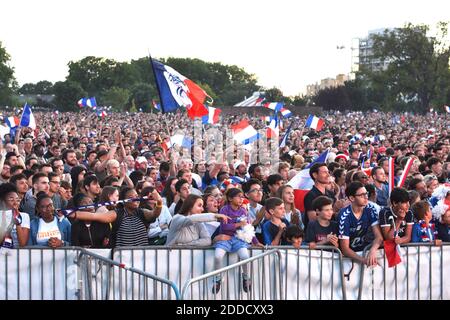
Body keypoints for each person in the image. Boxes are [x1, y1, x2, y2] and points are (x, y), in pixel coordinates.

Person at [212, 188, 261, 294]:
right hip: (225, 238)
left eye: (242, 196)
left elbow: (248, 227)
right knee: (218, 256)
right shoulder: (224, 209)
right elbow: (224, 227)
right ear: (230, 198)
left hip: (238, 239)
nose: (241, 198)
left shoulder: (243, 211)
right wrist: (238, 224)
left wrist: (256, 241)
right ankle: (217, 277)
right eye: (238, 196)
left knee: (245, 256)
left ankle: (246, 276)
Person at [337, 182, 383, 266]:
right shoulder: (344, 215)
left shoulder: (370, 208)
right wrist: (364, 260)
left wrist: (372, 251)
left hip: (363, 250)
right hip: (347, 258)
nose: (366, 197)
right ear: (352, 198)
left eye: (366, 194)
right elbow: (345, 248)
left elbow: (379, 237)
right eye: (362, 195)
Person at [0, 183, 30, 247]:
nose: (15, 203)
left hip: (18, 253)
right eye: (11, 200)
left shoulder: (24, 216)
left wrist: (18, 223)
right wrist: (4, 220)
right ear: (3, 202)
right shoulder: (1, 215)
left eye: (17, 200)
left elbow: (22, 243)